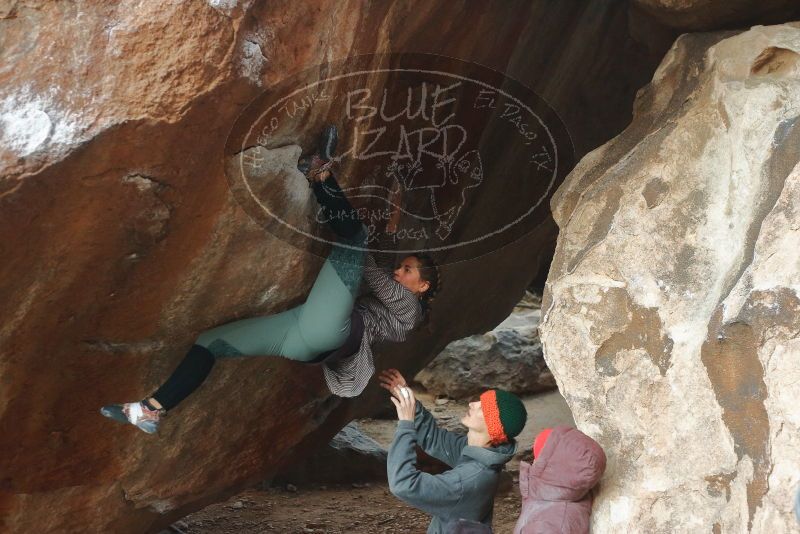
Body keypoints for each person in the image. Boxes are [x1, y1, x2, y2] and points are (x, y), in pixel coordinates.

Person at [100, 125, 441, 434]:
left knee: (355, 240)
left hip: (331, 331)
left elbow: (369, 267)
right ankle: (150, 409)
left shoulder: (410, 310)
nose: (399, 272)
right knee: (209, 342)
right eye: (401, 267)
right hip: (301, 342)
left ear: (422, 287)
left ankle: (320, 174)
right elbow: (379, 269)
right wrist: (391, 220)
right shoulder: (399, 298)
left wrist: (372, 233)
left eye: (407, 271)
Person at [380, 368, 527, 534]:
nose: (472, 404)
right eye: (479, 401)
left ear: (493, 428)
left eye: (483, 408)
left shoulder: (468, 479)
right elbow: (433, 438)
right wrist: (409, 400)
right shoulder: (481, 453)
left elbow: (403, 484)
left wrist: (406, 425)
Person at [513, 426, 606, 534]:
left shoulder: (548, 527)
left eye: (540, 456)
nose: (535, 460)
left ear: (551, 468)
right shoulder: (570, 491)